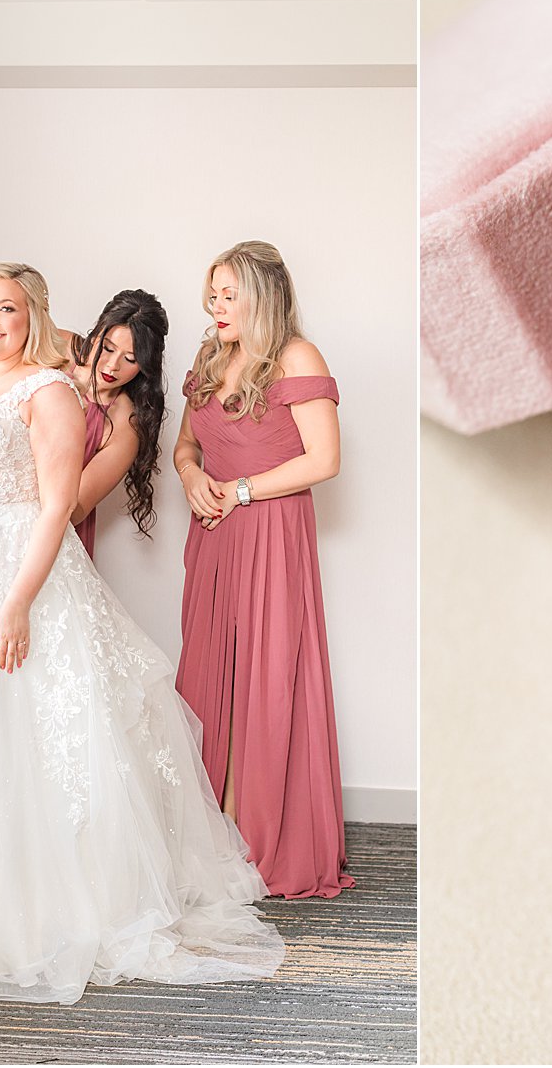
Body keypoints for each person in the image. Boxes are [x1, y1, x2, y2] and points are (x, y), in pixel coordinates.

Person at [0, 262, 283, 1004]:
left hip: (18, 563)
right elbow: (51, 341)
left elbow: (55, 506)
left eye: (9, 308)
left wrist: (16, 601)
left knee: (24, 726)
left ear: (32, 316)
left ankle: (26, 895)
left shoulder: (54, 395)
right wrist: (39, 330)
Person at [173, 241, 355, 899]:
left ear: (262, 294)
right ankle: (208, 830)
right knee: (208, 674)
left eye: (229, 294)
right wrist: (193, 476)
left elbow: (324, 457)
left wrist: (244, 489)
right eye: (212, 295)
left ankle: (262, 836)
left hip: (271, 536)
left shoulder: (296, 356)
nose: (216, 306)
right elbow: (186, 444)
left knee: (270, 677)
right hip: (215, 536)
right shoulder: (211, 357)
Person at [61, 290, 170, 558]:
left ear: (145, 366)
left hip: (54, 535)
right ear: (95, 333)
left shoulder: (125, 424)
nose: (112, 366)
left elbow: (73, 511)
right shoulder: (58, 347)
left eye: (130, 359)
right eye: (107, 348)